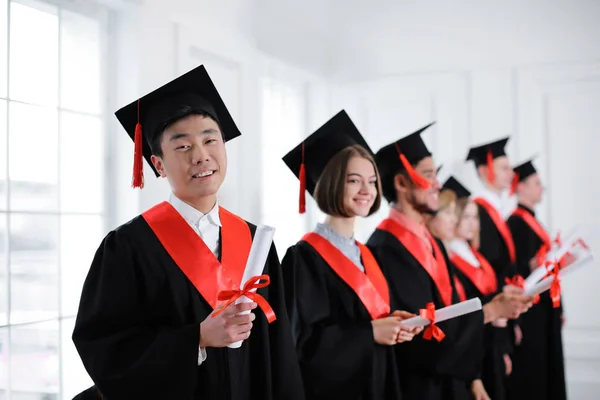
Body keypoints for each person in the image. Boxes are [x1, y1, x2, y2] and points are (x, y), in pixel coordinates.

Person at [72, 65, 305, 400]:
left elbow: (279, 352)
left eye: (211, 140)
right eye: (182, 147)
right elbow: (105, 350)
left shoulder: (256, 242)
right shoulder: (128, 247)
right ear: (158, 164)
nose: (201, 155)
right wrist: (196, 338)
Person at [366, 124, 526, 400]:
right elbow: (419, 336)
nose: (439, 184)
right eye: (429, 175)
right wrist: (489, 312)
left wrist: (474, 378)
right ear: (402, 183)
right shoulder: (384, 249)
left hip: (451, 383)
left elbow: (450, 309)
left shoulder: (433, 241)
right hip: (417, 388)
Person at [280, 110, 421, 400]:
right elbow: (301, 345)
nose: (366, 190)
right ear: (331, 183)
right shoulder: (303, 259)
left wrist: (393, 324)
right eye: (354, 180)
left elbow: (364, 318)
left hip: (379, 381)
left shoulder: (368, 254)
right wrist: (369, 333)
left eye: (371, 181)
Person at [427, 176, 532, 400]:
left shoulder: (477, 257)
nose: (469, 223)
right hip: (474, 347)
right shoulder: (448, 260)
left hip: (488, 343)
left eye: (474, 217)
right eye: (462, 216)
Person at [507, 158, 567, 400]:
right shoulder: (515, 223)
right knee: (534, 378)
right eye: (536, 183)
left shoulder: (533, 222)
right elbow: (515, 270)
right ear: (520, 187)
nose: (542, 187)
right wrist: (533, 265)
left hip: (545, 312)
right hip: (531, 314)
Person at [465, 138, 521, 400]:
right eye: (503, 167)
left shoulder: (497, 210)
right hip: (489, 314)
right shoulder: (479, 211)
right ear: (484, 170)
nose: (511, 174)